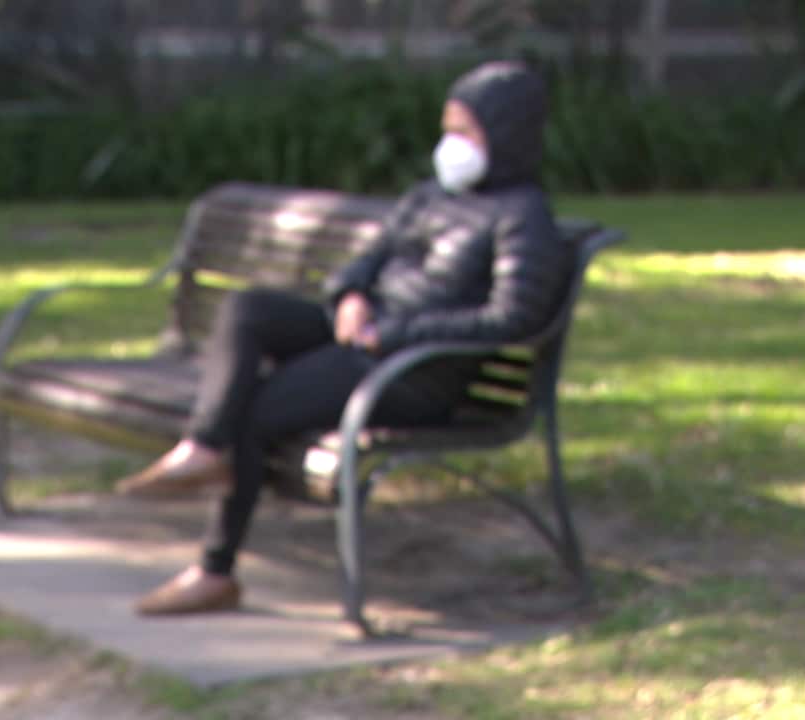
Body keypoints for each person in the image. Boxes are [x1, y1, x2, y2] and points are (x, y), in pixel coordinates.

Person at [114, 61, 574, 616]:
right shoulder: (429, 197)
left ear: (505, 135)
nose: (451, 145)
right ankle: (203, 447)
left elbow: (513, 319)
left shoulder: (524, 218)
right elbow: (365, 262)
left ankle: (215, 570)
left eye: (466, 132)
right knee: (248, 309)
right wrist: (351, 295)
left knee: (256, 410)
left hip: (415, 372)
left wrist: (392, 334)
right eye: (447, 130)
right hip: (364, 339)